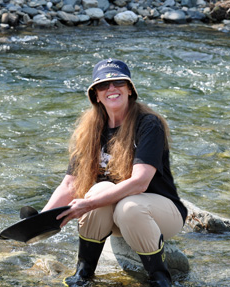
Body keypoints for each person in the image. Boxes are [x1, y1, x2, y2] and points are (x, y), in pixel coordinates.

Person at [41, 58, 187, 287]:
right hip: (117, 218)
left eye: (118, 82)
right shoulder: (90, 131)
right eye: (103, 85)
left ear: (129, 89)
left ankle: (160, 278)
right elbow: (69, 185)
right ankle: (84, 274)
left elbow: (140, 182)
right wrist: (43, 220)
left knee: (127, 205)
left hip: (158, 214)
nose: (111, 88)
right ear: (96, 96)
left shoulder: (149, 124)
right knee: (100, 189)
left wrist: (87, 205)